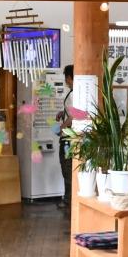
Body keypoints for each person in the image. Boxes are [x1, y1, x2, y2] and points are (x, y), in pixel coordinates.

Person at [57, 64, 74, 207]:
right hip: (70, 137)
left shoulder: (74, 94)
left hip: (68, 138)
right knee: (67, 166)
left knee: (67, 166)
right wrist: (63, 113)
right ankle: (69, 198)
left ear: (69, 77)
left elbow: (74, 117)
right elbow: (71, 112)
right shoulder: (73, 92)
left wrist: (62, 127)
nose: (65, 80)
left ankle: (69, 200)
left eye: (66, 77)